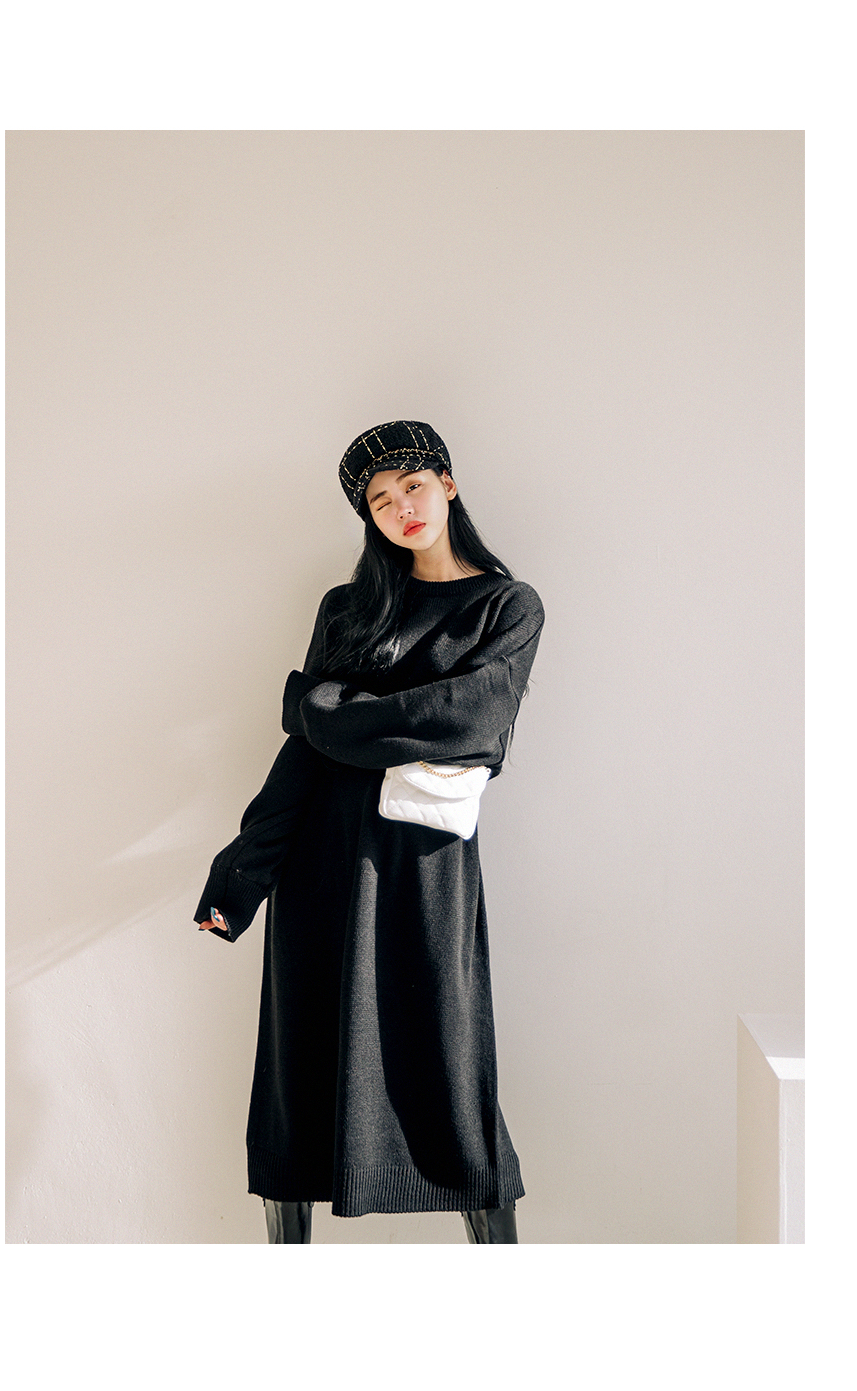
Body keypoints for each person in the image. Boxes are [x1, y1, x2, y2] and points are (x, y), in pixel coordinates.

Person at [194, 419, 544, 1239]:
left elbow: (470, 719)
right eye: (380, 500)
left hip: (424, 866)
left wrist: (328, 710)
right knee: (301, 1076)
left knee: (450, 1076)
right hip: (320, 864)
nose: (400, 508)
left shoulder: (505, 606)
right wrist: (240, 878)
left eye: (412, 486)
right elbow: (304, 752)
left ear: (448, 483)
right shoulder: (350, 608)